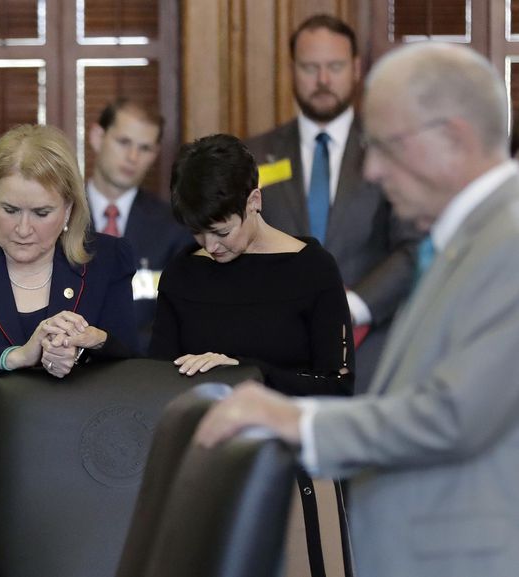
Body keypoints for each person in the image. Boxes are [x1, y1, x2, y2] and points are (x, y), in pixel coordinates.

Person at [195, 42, 519, 577]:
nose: (370, 170)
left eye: (385, 146)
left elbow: (452, 415)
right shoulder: (466, 236)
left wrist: (296, 419)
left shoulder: (507, 238)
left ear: (453, 137)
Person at [0, 124, 138, 575]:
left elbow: (132, 360)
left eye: (41, 212)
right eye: (9, 209)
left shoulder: (105, 262)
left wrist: (93, 343)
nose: (21, 229)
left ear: (70, 208)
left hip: (76, 496)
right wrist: (14, 356)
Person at [149, 133, 353, 576]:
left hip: (297, 474)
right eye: (198, 233)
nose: (211, 246)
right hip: (205, 473)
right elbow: (157, 380)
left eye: (221, 231)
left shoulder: (312, 269)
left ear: (254, 201)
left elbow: (338, 389)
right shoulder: (184, 274)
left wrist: (248, 374)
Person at [245, 14, 420, 393]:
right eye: (310, 67)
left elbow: (413, 247)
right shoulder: (255, 156)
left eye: (334, 67)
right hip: (275, 361)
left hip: (371, 354)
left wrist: (354, 305)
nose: (323, 80)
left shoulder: (390, 150)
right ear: (291, 70)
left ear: (356, 68)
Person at [87, 98, 194, 350]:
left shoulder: (174, 228)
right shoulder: (58, 217)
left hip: (142, 371)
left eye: (144, 148)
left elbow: (178, 320)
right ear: (97, 137)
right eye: (123, 142)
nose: (132, 157)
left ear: (155, 154)